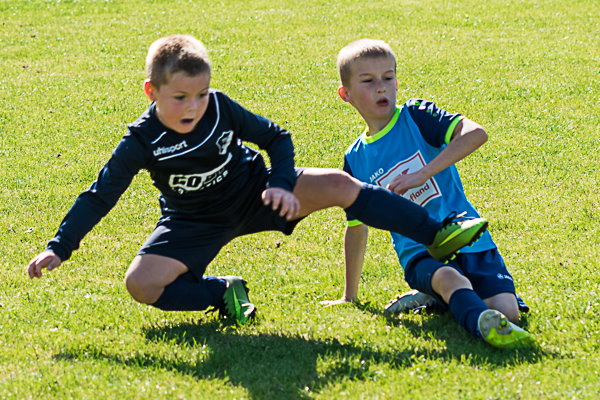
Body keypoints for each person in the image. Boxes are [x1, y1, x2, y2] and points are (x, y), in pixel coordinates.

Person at [27, 35, 487, 325]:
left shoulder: (222, 108)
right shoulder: (141, 141)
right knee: (141, 285)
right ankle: (222, 292)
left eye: (201, 94)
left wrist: (282, 183)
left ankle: (436, 234)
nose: (193, 107)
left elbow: (276, 137)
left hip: (257, 193)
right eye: (180, 97)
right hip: (194, 221)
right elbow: (99, 195)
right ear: (152, 92)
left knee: (341, 185)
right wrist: (59, 246)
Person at [326, 38, 533, 348]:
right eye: (368, 81)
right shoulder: (355, 160)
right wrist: (349, 296)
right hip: (420, 253)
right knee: (450, 279)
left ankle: (439, 299)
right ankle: (481, 326)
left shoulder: (417, 116)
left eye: (388, 77)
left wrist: (422, 174)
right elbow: (356, 227)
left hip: (467, 235)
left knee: (508, 311)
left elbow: (476, 134)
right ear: (346, 94)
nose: (381, 87)